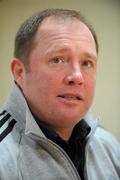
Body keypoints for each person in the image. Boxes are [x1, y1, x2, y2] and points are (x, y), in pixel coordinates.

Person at [0, 9, 120, 180]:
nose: (77, 77)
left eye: (87, 63)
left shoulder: (110, 146)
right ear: (20, 72)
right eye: (57, 60)